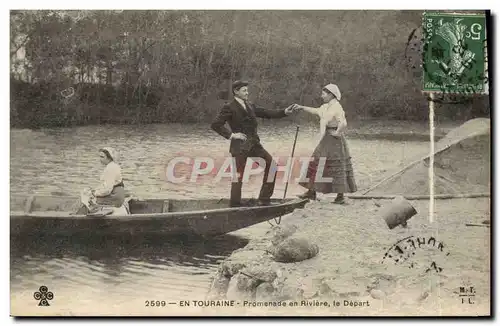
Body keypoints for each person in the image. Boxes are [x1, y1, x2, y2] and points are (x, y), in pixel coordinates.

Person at [211, 80, 297, 207]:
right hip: (239, 147)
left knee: (272, 166)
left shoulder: (250, 105)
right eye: (244, 90)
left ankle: (264, 199)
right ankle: (235, 205)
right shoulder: (229, 107)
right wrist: (231, 135)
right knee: (238, 177)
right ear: (236, 91)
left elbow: (267, 113)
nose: (247, 92)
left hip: (254, 146)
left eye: (247, 90)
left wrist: (284, 112)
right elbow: (215, 125)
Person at [293, 84, 357, 204]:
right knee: (316, 162)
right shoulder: (326, 106)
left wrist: (337, 133)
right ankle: (311, 192)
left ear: (331, 94)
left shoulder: (337, 107)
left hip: (334, 140)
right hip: (327, 139)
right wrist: (301, 107)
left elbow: (343, 123)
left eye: (323, 94)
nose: (321, 96)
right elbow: (316, 111)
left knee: (336, 165)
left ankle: (340, 196)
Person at [77, 147, 127, 215]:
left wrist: (95, 193)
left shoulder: (110, 168)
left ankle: (84, 216)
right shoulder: (112, 166)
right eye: (99, 156)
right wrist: (95, 190)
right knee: (88, 193)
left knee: (87, 196)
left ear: (109, 157)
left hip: (114, 196)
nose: (100, 159)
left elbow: (107, 190)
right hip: (116, 194)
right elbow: (106, 185)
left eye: (102, 157)